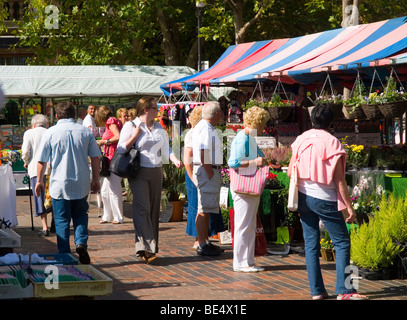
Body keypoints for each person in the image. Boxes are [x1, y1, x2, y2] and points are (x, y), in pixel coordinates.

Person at [287, 104, 367, 300]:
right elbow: (339, 179)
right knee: (342, 242)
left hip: (304, 196)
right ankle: (345, 290)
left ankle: (317, 292)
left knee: (311, 244)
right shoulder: (332, 143)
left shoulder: (300, 139)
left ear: (312, 119)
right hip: (324, 197)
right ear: (331, 122)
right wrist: (349, 205)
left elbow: (290, 171)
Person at [117, 96, 182, 263]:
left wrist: (174, 159)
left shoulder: (158, 126)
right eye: (155, 108)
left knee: (153, 211)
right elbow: (121, 148)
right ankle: (146, 248)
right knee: (142, 209)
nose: (157, 111)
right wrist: (135, 136)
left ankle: (149, 248)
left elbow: (166, 148)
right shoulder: (131, 125)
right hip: (139, 172)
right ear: (146, 109)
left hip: (156, 171)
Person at [35, 101, 101, 264]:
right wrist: (95, 180)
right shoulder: (85, 132)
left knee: (61, 219)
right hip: (81, 182)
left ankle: (64, 253)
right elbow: (95, 158)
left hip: (60, 183)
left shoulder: (51, 132)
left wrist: (39, 181)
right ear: (74, 115)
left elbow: (41, 160)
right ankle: (80, 242)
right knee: (80, 215)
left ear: (57, 116)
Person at [228, 106, 269, 272]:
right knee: (244, 225)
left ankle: (247, 261)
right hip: (244, 186)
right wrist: (255, 163)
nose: (264, 127)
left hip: (247, 186)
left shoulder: (248, 137)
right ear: (258, 123)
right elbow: (233, 163)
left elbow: (260, 158)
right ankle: (240, 262)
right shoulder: (243, 138)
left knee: (248, 225)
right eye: (263, 123)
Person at [184, 105, 225, 249]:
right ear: (216, 114)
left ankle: (203, 240)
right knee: (204, 209)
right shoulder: (206, 128)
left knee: (205, 208)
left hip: (205, 169)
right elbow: (203, 151)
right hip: (207, 171)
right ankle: (202, 242)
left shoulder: (203, 126)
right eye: (220, 113)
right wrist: (210, 172)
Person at [21, 114, 50, 236]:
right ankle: (54, 224)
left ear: (33, 124)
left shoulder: (29, 133)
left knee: (40, 197)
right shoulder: (50, 132)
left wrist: (26, 161)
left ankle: (45, 227)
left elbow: (26, 152)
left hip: (35, 169)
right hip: (51, 169)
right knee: (51, 197)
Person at [95, 105, 124, 224]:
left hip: (114, 159)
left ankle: (118, 217)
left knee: (114, 188)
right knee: (105, 190)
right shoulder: (112, 121)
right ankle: (107, 215)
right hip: (109, 159)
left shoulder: (111, 121)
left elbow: (118, 137)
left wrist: (104, 141)